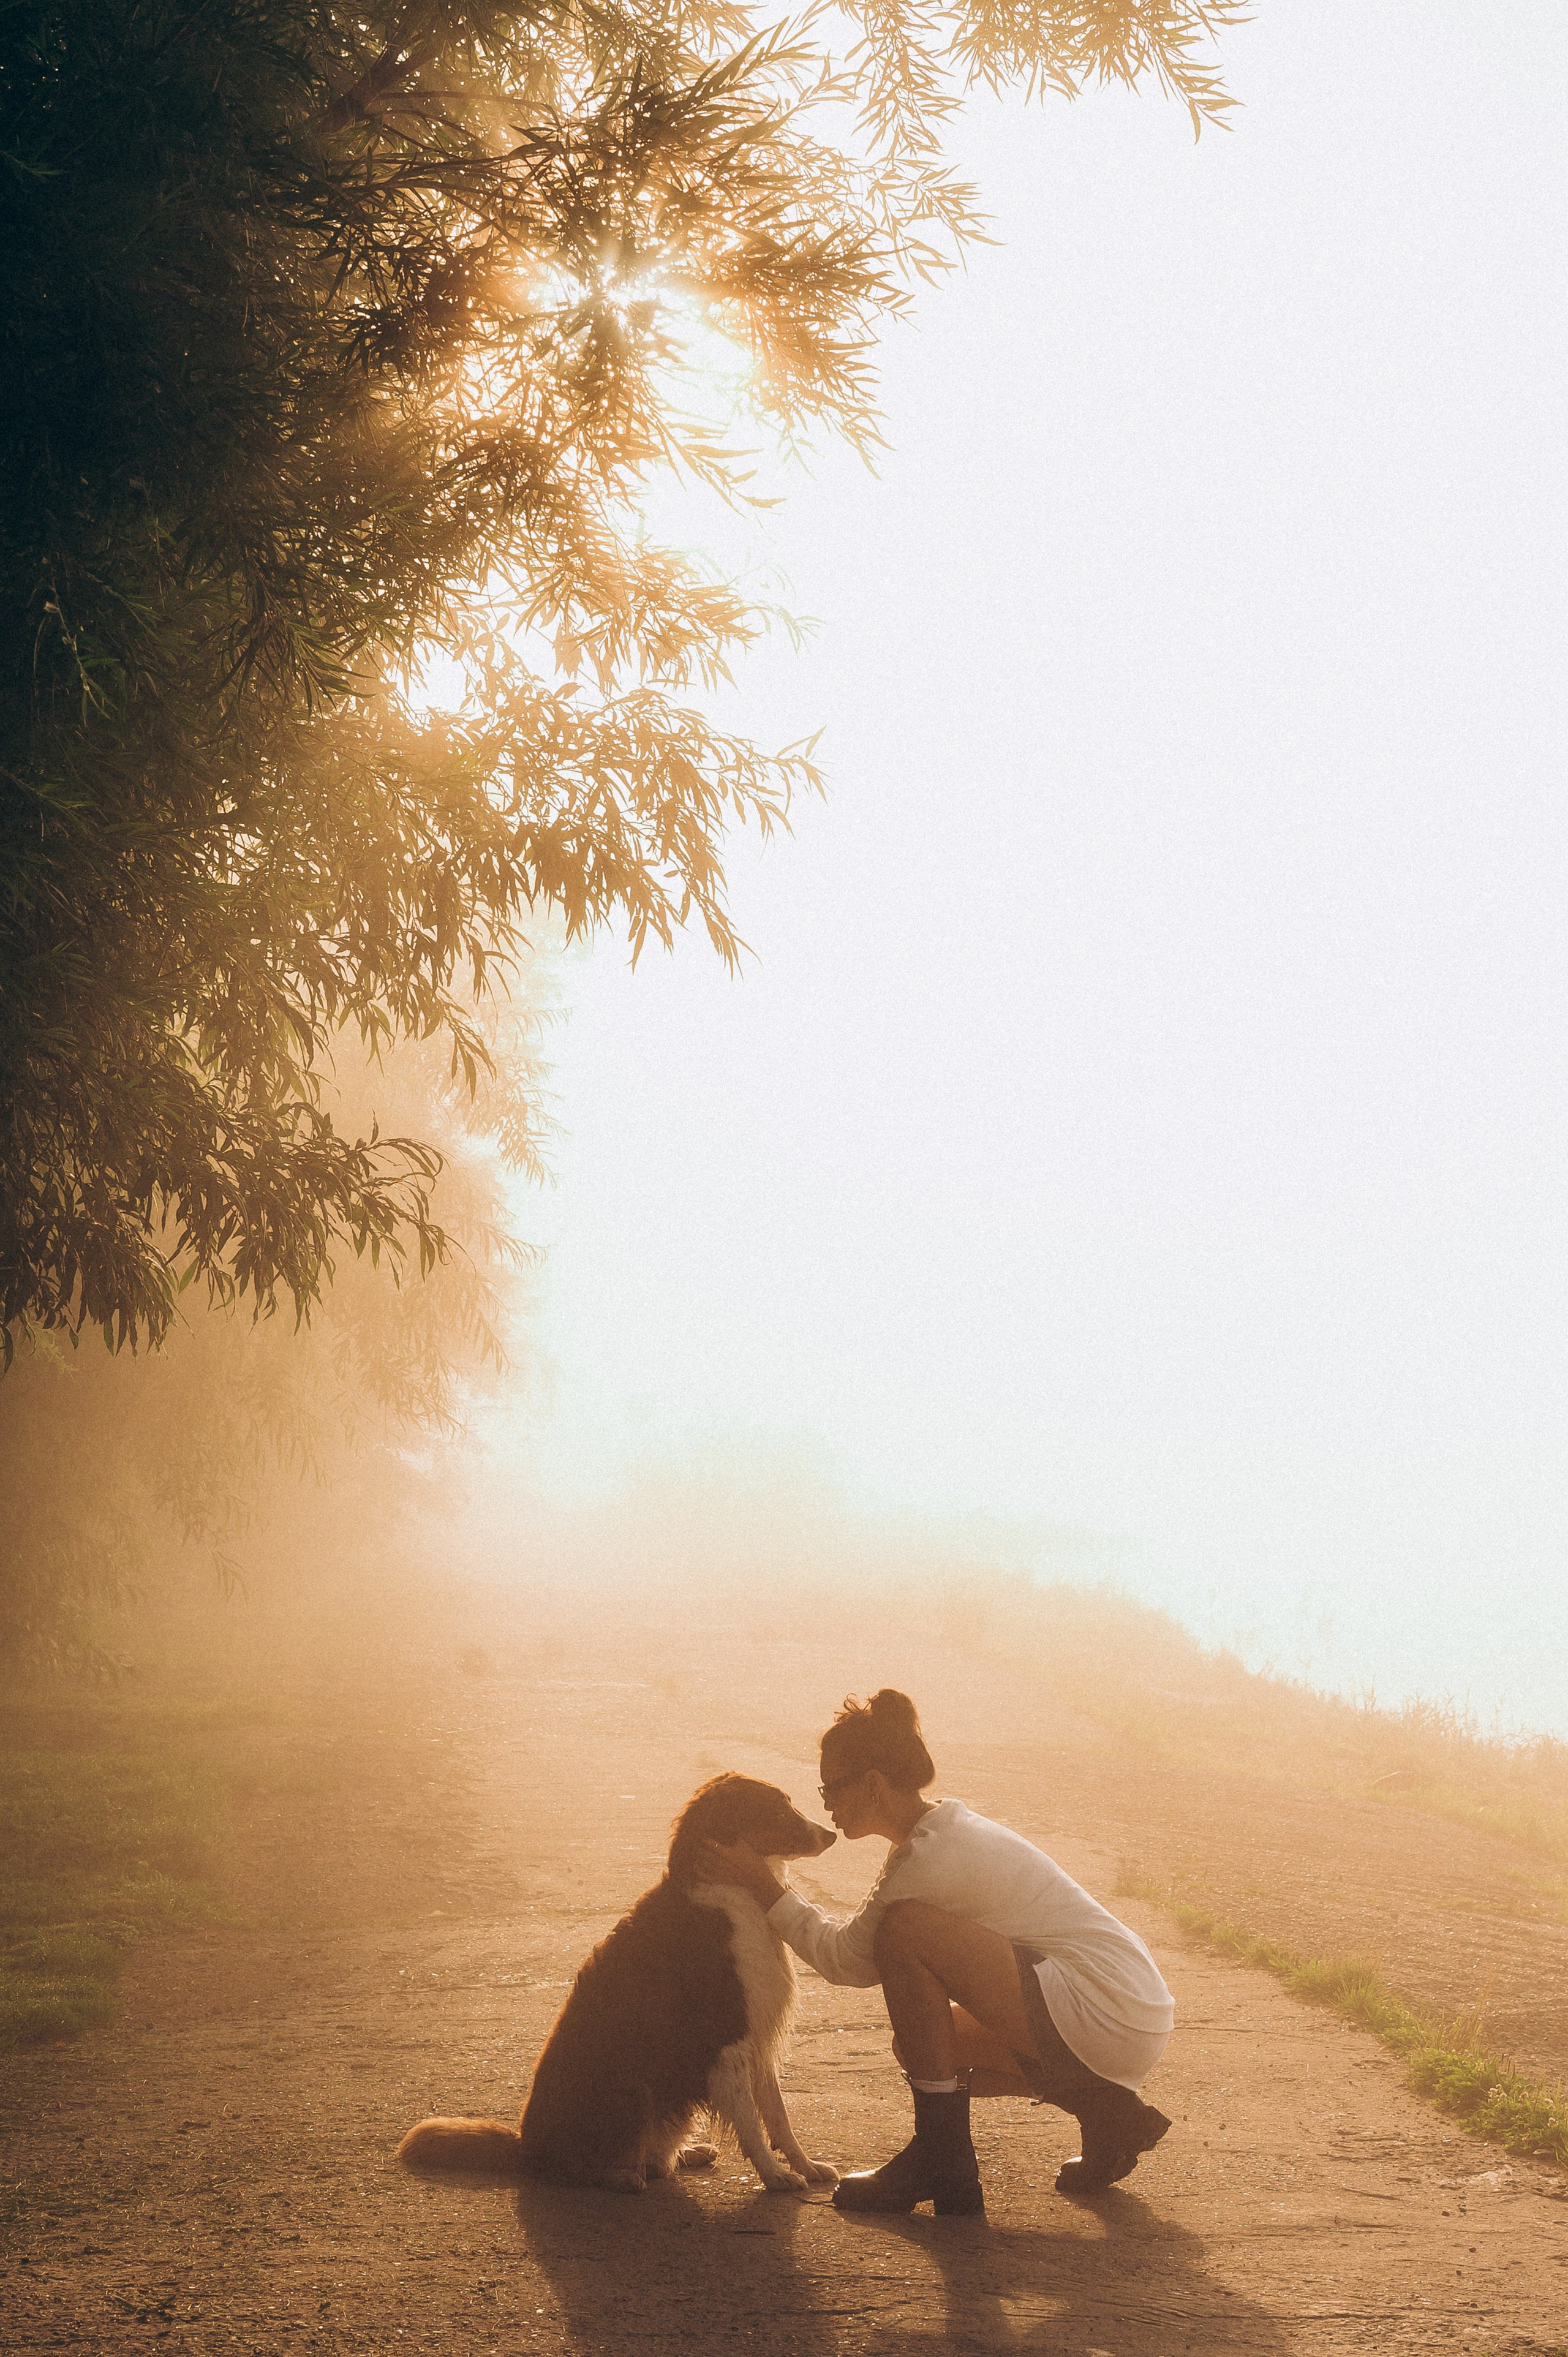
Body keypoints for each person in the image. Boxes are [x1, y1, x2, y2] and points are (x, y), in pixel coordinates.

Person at [703, 1688, 1174, 2218]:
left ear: (874, 1785)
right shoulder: (943, 1830)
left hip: (1103, 2006)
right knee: (926, 2051)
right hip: (1130, 2009)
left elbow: (847, 1962)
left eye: (831, 1787)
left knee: (906, 1932)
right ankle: (1110, 2115)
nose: (825, 1803)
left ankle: (941, 2160)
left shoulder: (930, 1857)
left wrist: (765, 1888)